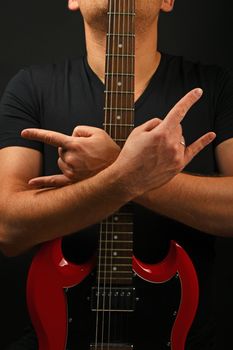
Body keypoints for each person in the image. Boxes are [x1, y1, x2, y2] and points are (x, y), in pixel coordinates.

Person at [0, 0, 232, 349]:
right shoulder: (30, 87)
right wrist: (126, 175)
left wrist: (112, 167)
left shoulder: (215, 85)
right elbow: (8, 228)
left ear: (168, 1)